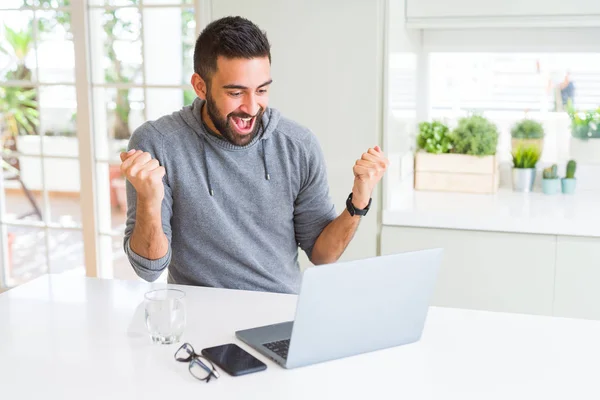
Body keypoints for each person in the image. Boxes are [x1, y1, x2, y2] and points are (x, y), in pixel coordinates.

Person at [121, 16, 388, 294]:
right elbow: (148, 269)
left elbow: (323, 255)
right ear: (201, 87)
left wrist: (359, 200)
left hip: (280, 313)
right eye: (236, 92)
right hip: (201, 315)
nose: (251, 108)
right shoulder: (158, 144)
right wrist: (150, 201)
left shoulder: (297, 145)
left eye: (261, 90)